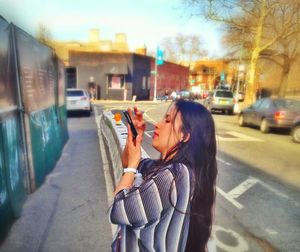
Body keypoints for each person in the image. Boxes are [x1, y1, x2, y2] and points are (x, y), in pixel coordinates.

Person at [109, 99, 218, 252]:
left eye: (167, 120)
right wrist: (134, 138)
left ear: (184, 135)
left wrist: (131, 168)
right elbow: (128, 162)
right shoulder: (171, 170)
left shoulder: (173, 176)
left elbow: (117, 210)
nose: (158, 124)